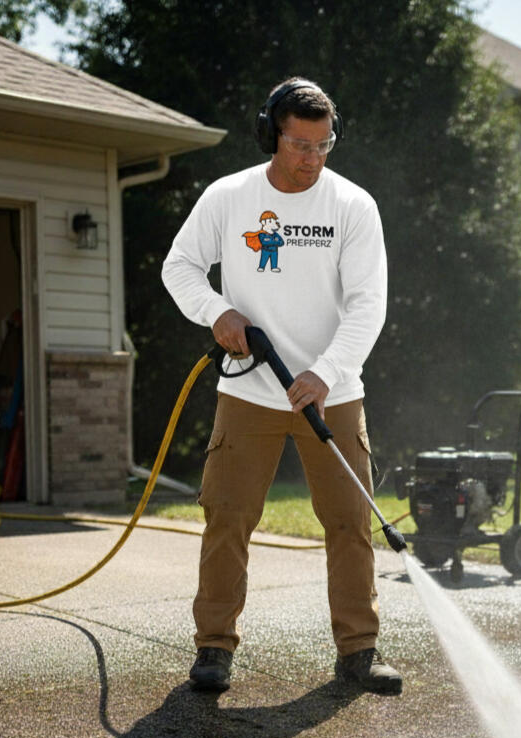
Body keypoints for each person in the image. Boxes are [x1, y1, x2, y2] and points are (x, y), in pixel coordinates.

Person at [161, 77, 402, 696]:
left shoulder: (353, 206)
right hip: (249, 392)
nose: (311, 159)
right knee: (227, 516)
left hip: (333, 393)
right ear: (271, 133)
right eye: (299, 144)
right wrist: (217, 311)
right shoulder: (229, 196)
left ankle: (359, 650)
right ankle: (214, 646)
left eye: (323, 146)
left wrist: (326, 372)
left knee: (349, 521)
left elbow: (368, 304)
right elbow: (180, 266)